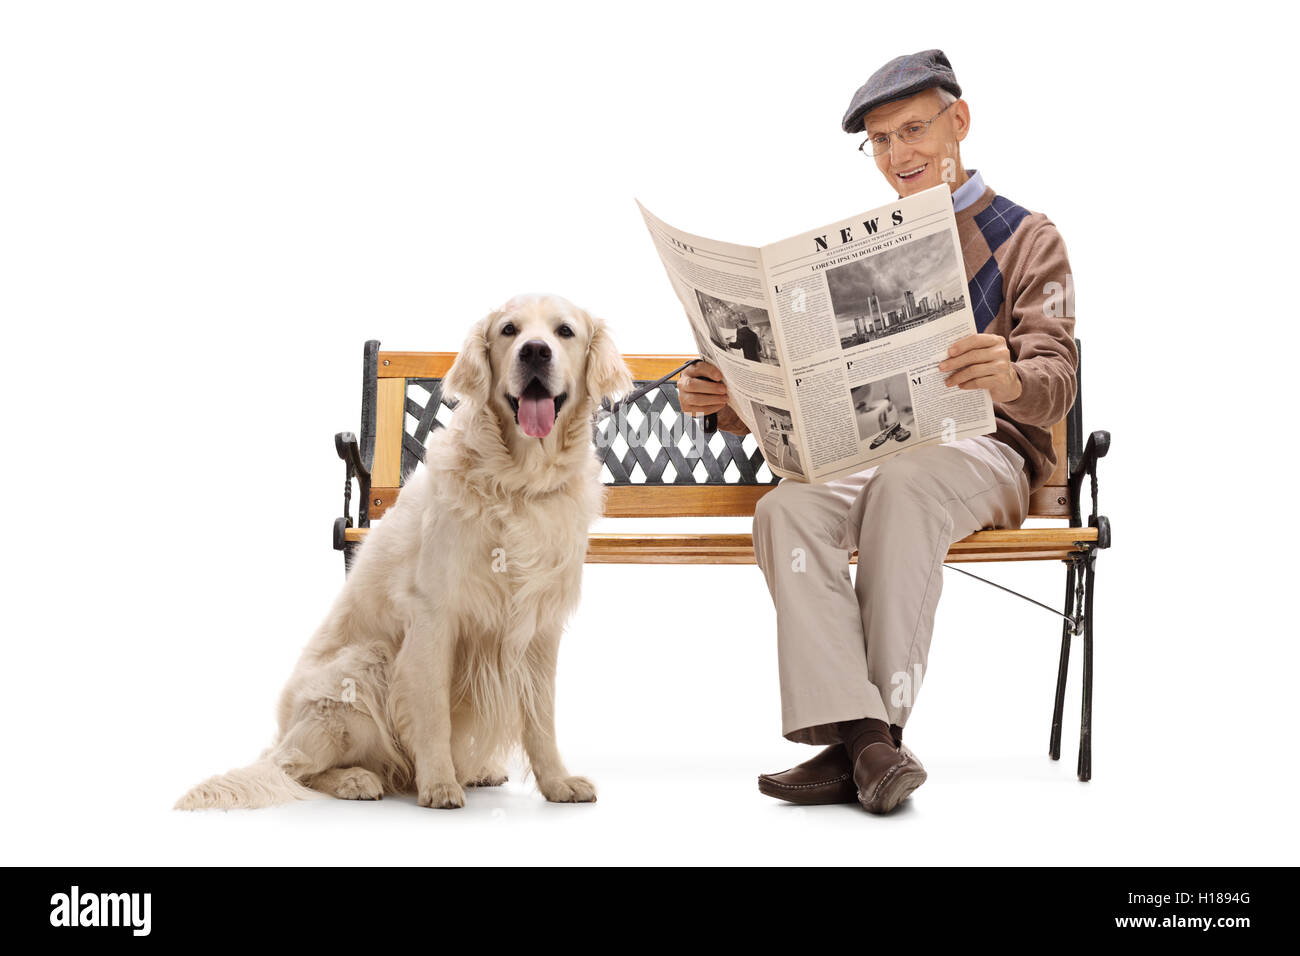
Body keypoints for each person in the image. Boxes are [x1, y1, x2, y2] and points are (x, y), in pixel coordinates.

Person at [678, 49, 1077, 814]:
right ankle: (867, 744)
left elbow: (1056, 380)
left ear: (959, 121)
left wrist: (1013, 377)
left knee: (905, 484)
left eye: (914, 130)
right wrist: (729, 397)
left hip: (987, 452)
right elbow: (813, 387)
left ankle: (871, 731)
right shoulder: (864, 246)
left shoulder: (1029, 236)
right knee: (785, 509)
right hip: (882, 447)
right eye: (881, 142)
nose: (899, 155)